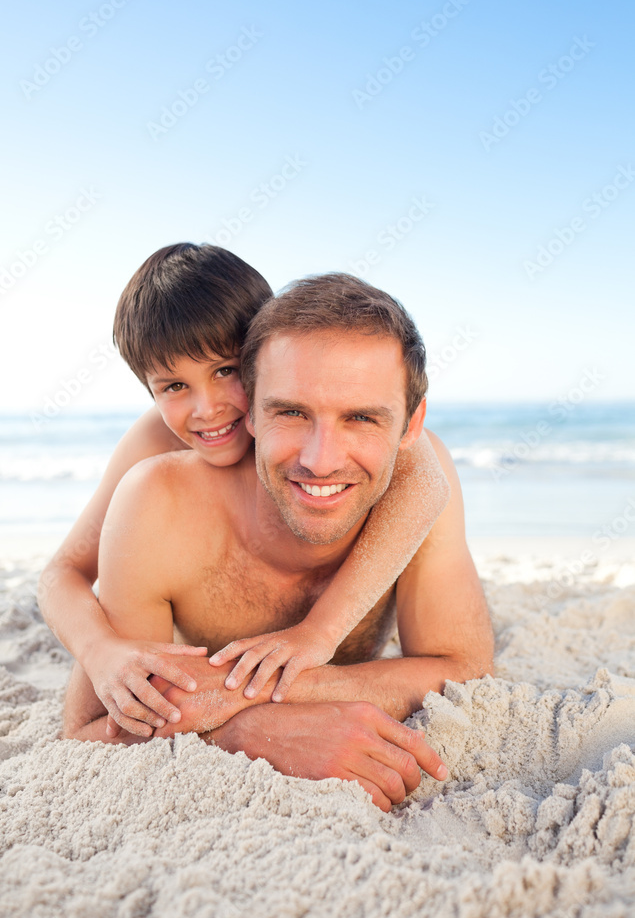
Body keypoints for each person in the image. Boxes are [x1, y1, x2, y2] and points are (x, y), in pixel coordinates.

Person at [63, 272, 494, 813]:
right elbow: (88, 739)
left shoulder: (418, 483)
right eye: (290, 411)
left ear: (410, 425)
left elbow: (467, 669)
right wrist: (251, 732)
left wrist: (238, 694)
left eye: (361, 417)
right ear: (254, 406)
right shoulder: (156, 499)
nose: (321, 458)